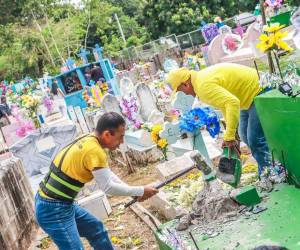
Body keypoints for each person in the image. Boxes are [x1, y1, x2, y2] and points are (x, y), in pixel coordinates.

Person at [35, 112, 158, 249]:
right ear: (107, 134)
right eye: (120, 137)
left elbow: (106, 174)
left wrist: (134, 192)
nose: (122, 142)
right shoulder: (94, 150)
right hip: (53, 209)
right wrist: (140, 191)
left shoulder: (89, 139)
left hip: (61, 203)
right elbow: (108, 187)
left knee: (97, 231)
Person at [167, 63, 271, 176]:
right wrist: (231, 134)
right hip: (247, 97)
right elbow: (224, 105)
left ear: (185, 84)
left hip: (260, 90)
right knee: (244, 135)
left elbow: (232, 103)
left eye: (179, 91)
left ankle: (271, 173)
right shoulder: (199, 81)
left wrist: (230, 136)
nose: (183, 95)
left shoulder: (202, 86)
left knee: (255, 140)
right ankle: (269, 164)